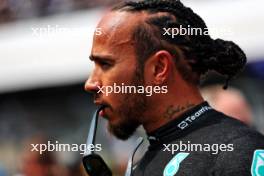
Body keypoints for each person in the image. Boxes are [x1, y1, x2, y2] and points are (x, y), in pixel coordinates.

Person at [84, 0, 264, 175]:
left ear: (159, 68)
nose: (90, 83)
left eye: (105, 64)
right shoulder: (143, 162)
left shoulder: (237, 152)